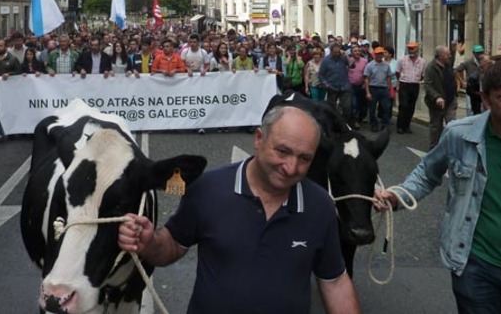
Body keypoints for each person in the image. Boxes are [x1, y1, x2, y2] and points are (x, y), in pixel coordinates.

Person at [118, 104, 361, 314]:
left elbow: (335, 280)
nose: (291, 167)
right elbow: (172, 245)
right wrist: (149, 243)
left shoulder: (321, 206)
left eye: (304, 158)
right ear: (258, 139)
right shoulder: (207, 189)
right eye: (283, 151)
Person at [375, 60, 501, 314]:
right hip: (474, 263)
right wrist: (396, 196)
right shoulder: (459, 135)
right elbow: (427, 173)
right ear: (485, 98)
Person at [424, 45, 457, 149]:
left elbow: (452, 76)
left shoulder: (448, 65)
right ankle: (433, 148)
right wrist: (437, 97)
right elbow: (428, 85)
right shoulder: (431, 67)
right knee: (436, 127)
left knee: (452, 125)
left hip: (450, 101)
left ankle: (451, 147)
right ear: (440, 56)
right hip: (436, 104)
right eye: (447, 54)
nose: (450, 56)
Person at [318, 43, 352, 124]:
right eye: (335, 52)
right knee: (332, 108)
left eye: (338, 52)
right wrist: (326, 84)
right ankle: (333, 124)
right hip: (332, 87)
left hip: (345, 86)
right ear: (331, 51)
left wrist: (347, 56)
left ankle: (346, 124)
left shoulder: (343, 58)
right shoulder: (326, 61)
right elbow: (321, 75)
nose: (337, 54)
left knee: (347, 107)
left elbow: (352, 66)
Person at [396, 42, 426, 134]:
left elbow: (423, 75)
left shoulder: (422, 61)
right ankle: (400, 126)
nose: (411, 50)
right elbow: (397, 72)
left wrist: (417, 80)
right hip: (404, 84)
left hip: (415, 85)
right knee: (403, 105)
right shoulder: (402, 60)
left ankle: (407, 126)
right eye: (409, 48)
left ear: (417, 49)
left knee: (411, 106)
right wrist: (402, 79)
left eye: (413, 48)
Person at [364, 46, 392, 132]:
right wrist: (367, 92)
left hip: (384, 89)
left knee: (386, 108)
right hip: (373, 88)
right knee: (372, 108)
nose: (379, 55)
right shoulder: (370, 65)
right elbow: (366, 79)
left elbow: (388, 77)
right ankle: (373, 124)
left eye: (381, 54)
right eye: (378, 54)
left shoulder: (386, 65)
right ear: (375, 55)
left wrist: (388, 87)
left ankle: (385, 125)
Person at [456, 45, 486, 116]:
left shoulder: (485, 61)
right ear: (474, 53)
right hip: (471, 88)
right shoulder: (468, 62)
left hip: (482, 87)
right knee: (470, 108)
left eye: (481, 52)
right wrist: (462, 81)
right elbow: (457, 70)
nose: (479, 54)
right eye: (478, 53)